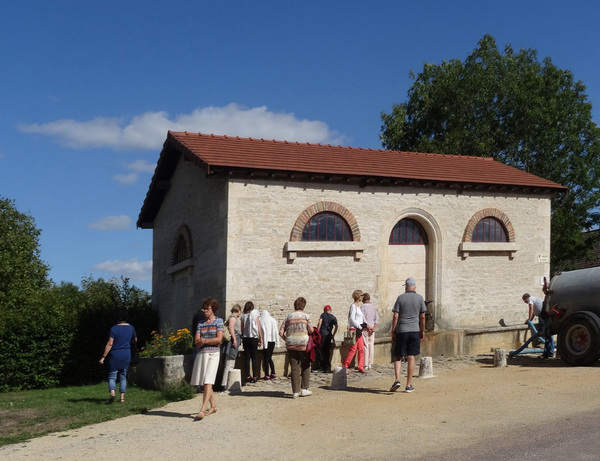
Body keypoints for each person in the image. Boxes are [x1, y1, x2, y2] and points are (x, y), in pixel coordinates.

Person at [390, 277, 426, 393]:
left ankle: (397, 379)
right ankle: (409, 384)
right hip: (414, 330)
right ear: (414, 287)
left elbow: (395, 316)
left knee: (398, 356)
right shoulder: (420, 298)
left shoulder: (400, 298)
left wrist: (393, 330)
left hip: (402, 330)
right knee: (411, 357)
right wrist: (422, 330)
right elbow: (423, 316)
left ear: (406, 286)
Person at [190, 297, 224, 419]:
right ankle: (213, 406)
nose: (204, 310)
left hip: (214, 354)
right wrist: (207, 341)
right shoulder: (200, 323)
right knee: (205, 382)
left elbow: (219, 339)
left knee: (207, 381)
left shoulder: (219, 322)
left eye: (206, 308)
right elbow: (196, 340)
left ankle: (203, 409)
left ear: (212, 309)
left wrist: (204, 341)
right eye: (203, 308)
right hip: (202, 354)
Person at [279, 296, 314, 398]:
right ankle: (304, 389)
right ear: (303, 306)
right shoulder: (306, 316)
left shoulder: (288, 317)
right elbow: (311, 330)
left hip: (291, 344)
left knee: (294, 368)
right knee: (306, 366)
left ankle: (295, 392)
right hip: (303, 344)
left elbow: (281, 332)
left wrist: (287, 340)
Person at [99, 310, 137, 404]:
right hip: (126, 353)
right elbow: (135, 340)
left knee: (112, 375)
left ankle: (112, 393)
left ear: (117, 318)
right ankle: (122, 398)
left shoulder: (114, 329)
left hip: (115, 354)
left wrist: (103, 357)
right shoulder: (131, 328)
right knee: (123, 375)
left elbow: (110, 343)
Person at [522, 293, 555, 358]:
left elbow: (531, 309)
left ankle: (547, 353)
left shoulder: (530, 299)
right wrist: (530, 320)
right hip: (544, 314)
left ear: (526, 298)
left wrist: (529, 319)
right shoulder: (535, 298)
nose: (524, 302)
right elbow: (534, 312)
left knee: (546, 333)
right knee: (548, 333)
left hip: (543, 315)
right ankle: (550, 351)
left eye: (524, 300)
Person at [342, 290, 366, 374]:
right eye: (362, 295)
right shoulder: (353, 306)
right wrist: (359, 326)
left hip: (359, 330)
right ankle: (345, 366)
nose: (363, 297)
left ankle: (360, 366)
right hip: (355, 329)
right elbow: (352, 319)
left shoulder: (359, 307)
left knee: (361, 349)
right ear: (358, 296)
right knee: (353, 349)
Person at [220, 304, 242, 391]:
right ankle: (224, 384)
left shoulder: (231, 317)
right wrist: (234, 339)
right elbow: (231, 327)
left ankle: (225, 383)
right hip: (231, 343)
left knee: (229, 362)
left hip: (231, 342)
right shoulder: (233, 317)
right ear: (238, 311)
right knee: (229, 363)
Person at [241, 301, 262, 383]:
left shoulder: (243, 316)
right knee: (254, 358)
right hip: (253, 338)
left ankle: (247, 375)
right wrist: (260, 337)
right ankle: (255, 376)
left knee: (247, 358)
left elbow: (242, 328)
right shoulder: (255, 314)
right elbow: (257, 325)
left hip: (246, 338)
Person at [316, 305, 338, 373]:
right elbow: (336, 326)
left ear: (324, 310)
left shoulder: (323, 315)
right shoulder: (333, 317)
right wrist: (333, 334)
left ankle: (321, 366)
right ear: (330, 310)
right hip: (328, 335)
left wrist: (317, 331)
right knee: (327, 351)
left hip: (322, 334)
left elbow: (320, 322)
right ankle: (327, 367)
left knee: (320, 350)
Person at [260, 309, 280, 380]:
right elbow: (276, 331)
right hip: (273, 341)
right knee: (269, 357)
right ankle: (273, 372)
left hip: (267, 341)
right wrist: (277, 342)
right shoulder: (273, 320)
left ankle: (267, 374)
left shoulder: (262, 321)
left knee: (266, 358)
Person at [361, 293, 379, 370]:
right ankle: (370, 363)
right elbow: (376, 317)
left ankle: (365, 364)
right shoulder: (373, 307)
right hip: (372, 328)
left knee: (365, 345)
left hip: (366, 328)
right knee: (371, 345)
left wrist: (367, 326)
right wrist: (374, 327)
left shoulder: (362, 307)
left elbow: (363, 318)